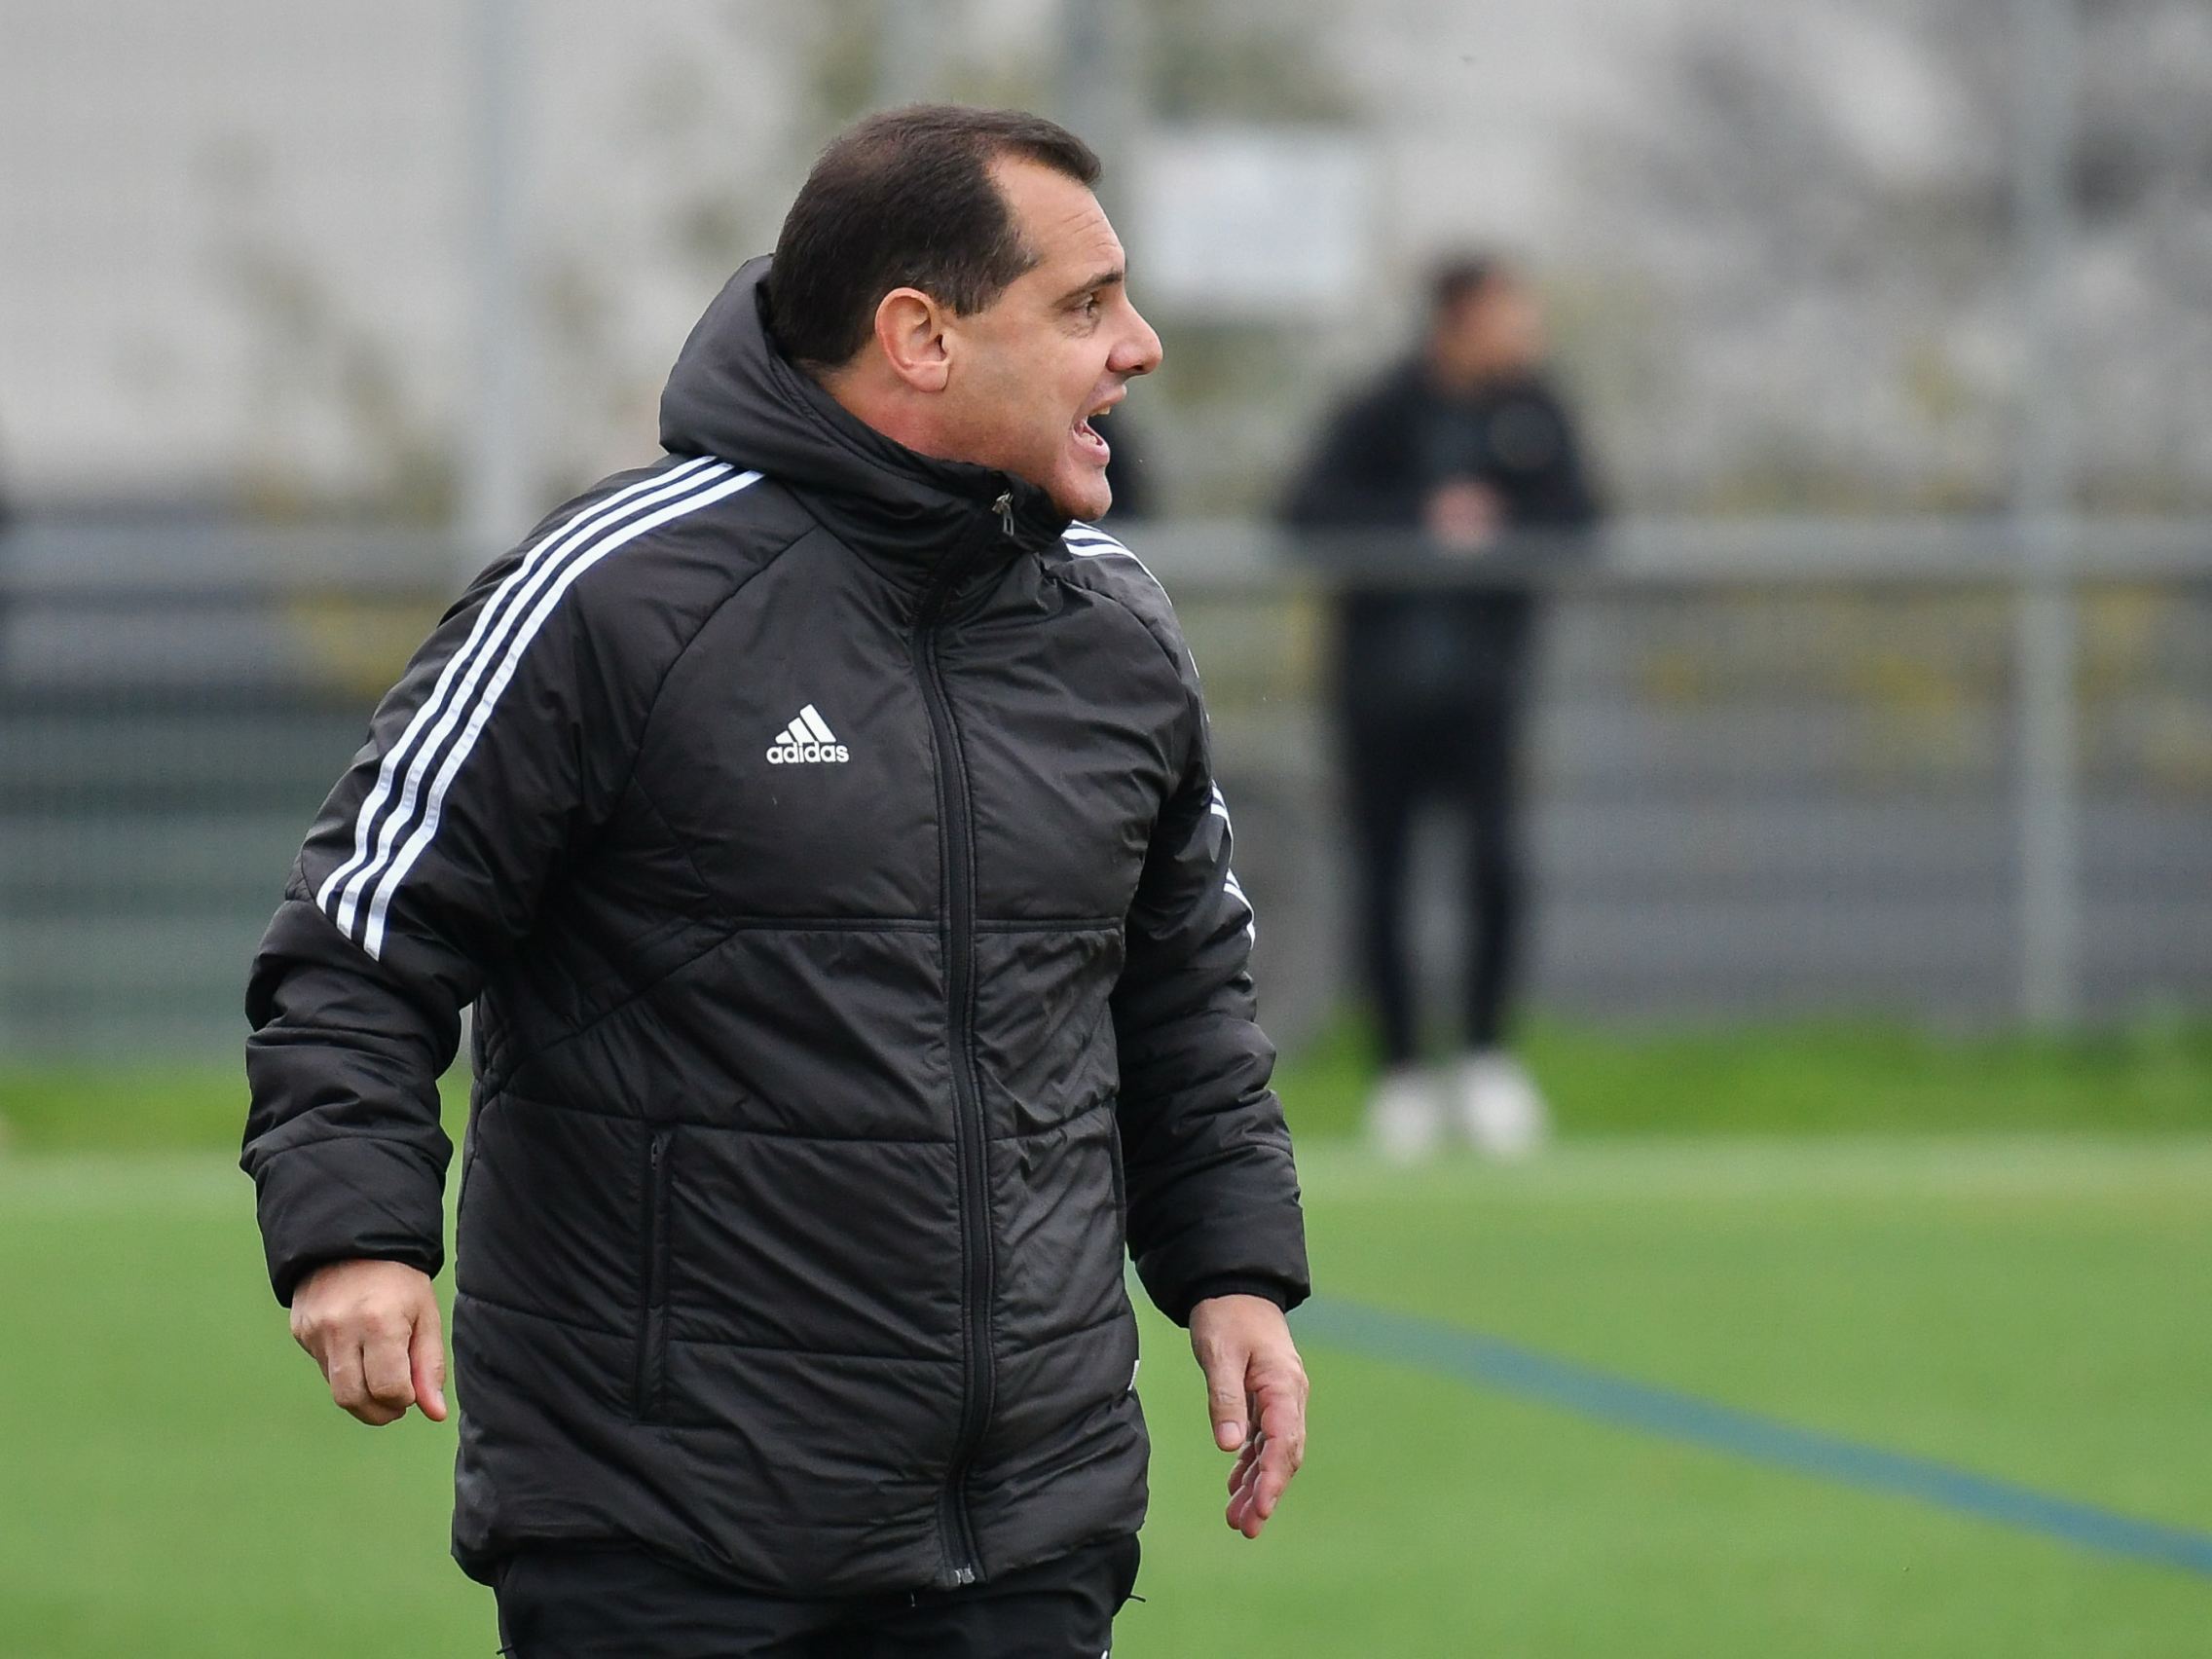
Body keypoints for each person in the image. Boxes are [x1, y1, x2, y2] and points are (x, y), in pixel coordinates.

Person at [241, 105, 1309, 1657]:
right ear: (921, 337)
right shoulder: (614, 595)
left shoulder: (1118, 631)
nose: (1136, 347)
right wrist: (356, 1233)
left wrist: (1233, 1273)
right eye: (1085, 306)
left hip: (1031, 1534)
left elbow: (1183, 996)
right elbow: (358, 941)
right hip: (668, 1532)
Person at [1283, 256, 1601, 1161]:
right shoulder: (1381, 408)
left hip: (1487, 696)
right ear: (1460, 317)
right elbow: (1306, 511)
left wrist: (1499, 527)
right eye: (1510, 311)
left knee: (1495, 866)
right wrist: (1422, 521)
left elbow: (1580, 516)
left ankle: (1489, 1057)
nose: (1527, 329)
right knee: (1381, 877)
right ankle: (1401, 1072)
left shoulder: (1535, 411)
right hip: (1377, 698)